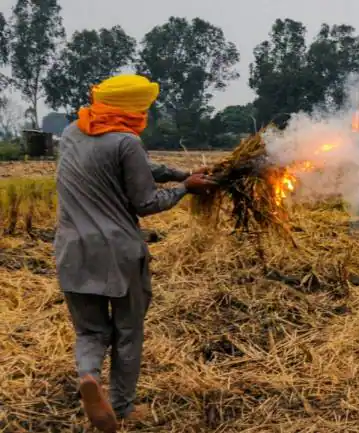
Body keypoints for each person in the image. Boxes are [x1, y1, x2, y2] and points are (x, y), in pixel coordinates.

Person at [54, 74, 217, 432]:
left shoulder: (71, 133)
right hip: (118, 254)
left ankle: (89, 377)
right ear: (131, 109)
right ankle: (123, 407)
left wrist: (182, 171)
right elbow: (145, 202)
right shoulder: (126, 141)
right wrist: (185, 188)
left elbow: (141, 165)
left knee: (90, 332)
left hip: (70, 252)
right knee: (128, 331)